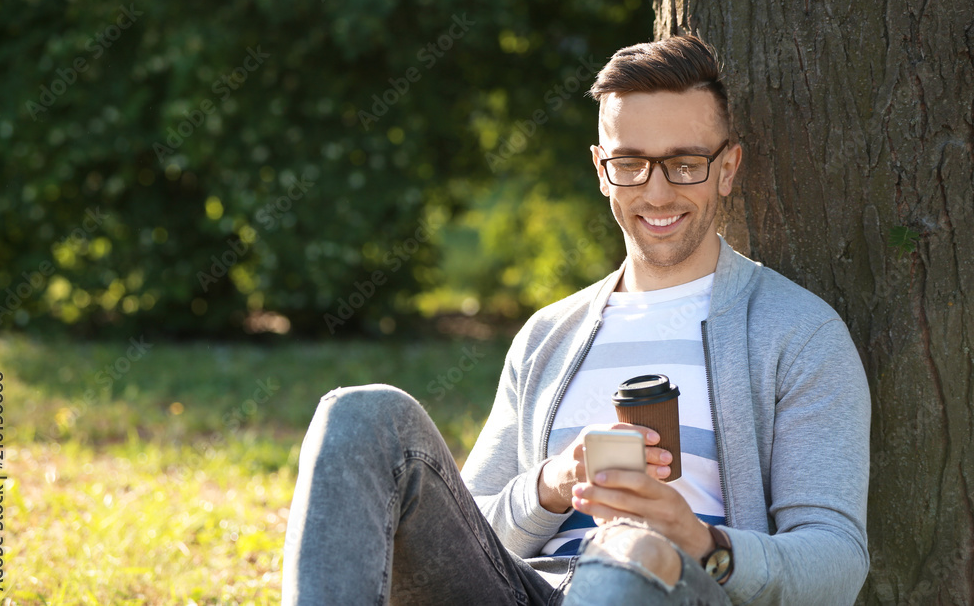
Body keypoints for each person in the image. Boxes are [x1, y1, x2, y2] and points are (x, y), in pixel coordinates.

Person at [282, 34, 871, 605]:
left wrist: (699, 542)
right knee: (358, 414)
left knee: (632, 547)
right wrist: (552, 484)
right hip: (524, 589)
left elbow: (836, 562)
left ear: (727, 167)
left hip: (667, 585)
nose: (658, 193)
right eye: (632, 164)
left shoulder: (798, 333)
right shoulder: (547, 337)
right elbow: (471, 524)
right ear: (600, 169)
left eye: (685, 164)